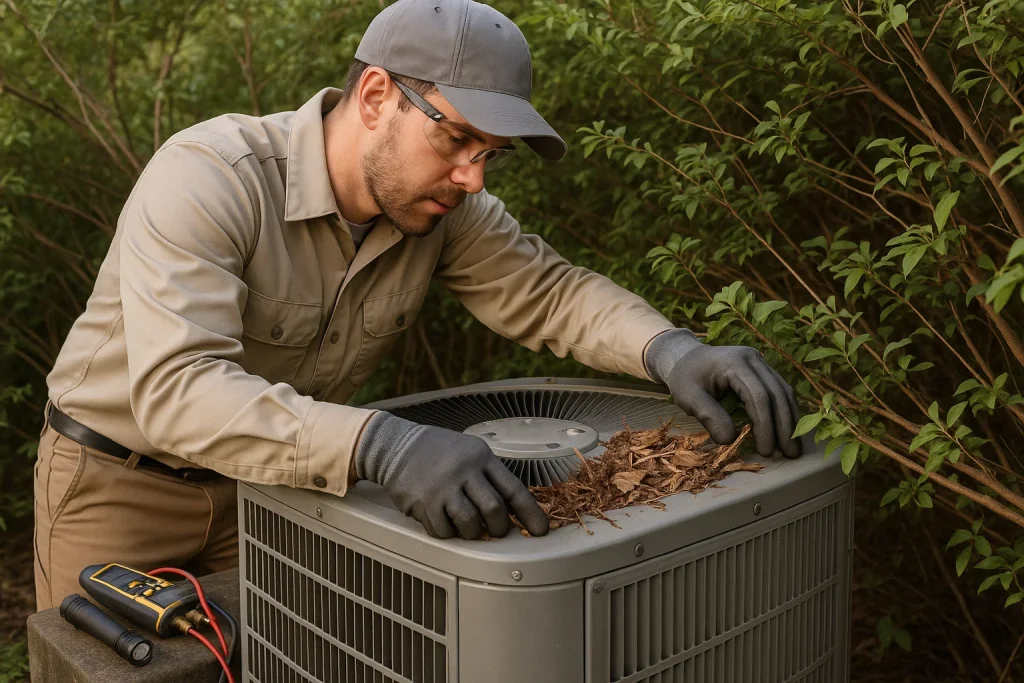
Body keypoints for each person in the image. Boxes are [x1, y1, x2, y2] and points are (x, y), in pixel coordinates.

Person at [32, 0, 802, 612]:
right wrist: (383, 446)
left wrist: (670, 350)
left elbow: (550, 291)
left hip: (272, 488)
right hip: (117, 486)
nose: (473, 178)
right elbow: (178, 390)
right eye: (458, 140)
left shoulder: (442, 211)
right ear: (375, 96)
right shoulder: (211, 177)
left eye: (490, 155)